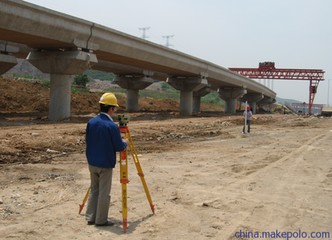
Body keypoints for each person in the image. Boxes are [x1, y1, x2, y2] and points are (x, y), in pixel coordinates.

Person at [85, 92, 127, 226]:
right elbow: (119, 147)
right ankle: (101, 220)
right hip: (105, 165)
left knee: (94, 190)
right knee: (104, 193)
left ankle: (91, 217)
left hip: (92, 162)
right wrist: (125, 142)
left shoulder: (91, 122)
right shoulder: (112, 126)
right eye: (114, 108)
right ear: (111, 108)